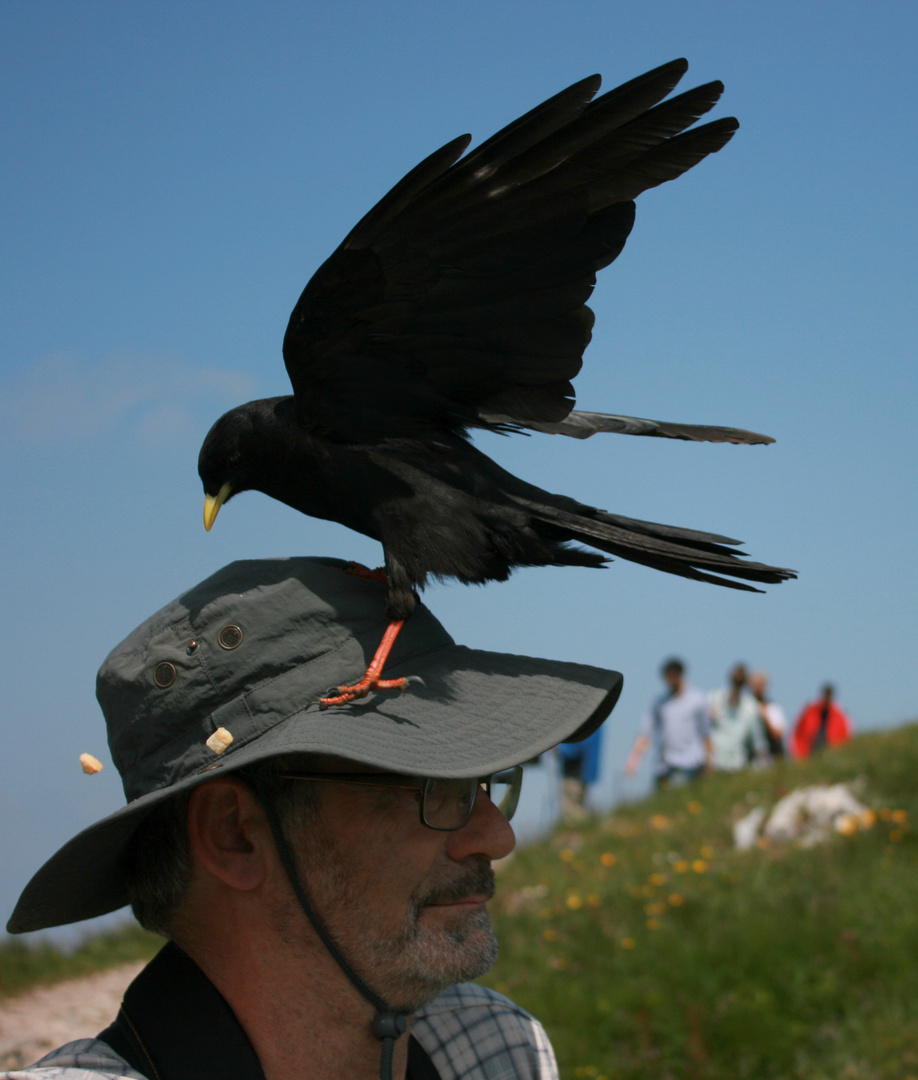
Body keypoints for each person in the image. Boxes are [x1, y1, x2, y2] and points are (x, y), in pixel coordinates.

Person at [4, 557, 623, 1080]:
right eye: (437, 787)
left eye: (486, 783)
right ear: (234, 836)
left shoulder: (497, 1051)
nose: (499, 835)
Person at [625, 658, 710, 787]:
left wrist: (709, 761)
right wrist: (634, 759)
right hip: (665, 764)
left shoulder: (697, 701)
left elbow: (706, 733)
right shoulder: (659, 703)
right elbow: (646, 732)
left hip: (691, 763)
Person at [707, 663, 765, 771]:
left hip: (737, 764)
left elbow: (758, 742)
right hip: (715, 762)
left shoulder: (751, 707)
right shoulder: (713, 699)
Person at [791, 683, 853, 758]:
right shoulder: (809, 711)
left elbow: (846, 738)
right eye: (826, 695)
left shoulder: (840, 715)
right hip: (809, 753)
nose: (827, 698)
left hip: (831, 754)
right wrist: (799, 753)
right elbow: (798, 732)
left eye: (829, 695)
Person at [556, 729, 602, 821]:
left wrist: (558, 748)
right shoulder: (595, 721)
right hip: (585, 772)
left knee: (572, 814)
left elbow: (571, 751)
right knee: (581, 806)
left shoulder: (578, 720)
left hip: (573, 773)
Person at [747, 670, 787, 760]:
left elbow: (778, 734)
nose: (758, 688)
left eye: (761, 684)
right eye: (756, 684)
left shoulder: (773, 707)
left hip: (770, 757)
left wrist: (765, 717)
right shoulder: (745, 707)